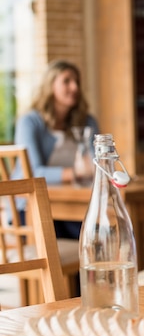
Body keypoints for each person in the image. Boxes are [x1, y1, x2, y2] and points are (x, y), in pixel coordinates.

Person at [14, 59, 99, 239]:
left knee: (95, 234)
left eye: (76, 82)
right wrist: (77, 173)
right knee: (75, 239)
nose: (75, 87)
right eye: (67, 81)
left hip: (71, 203)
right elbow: (33, 172)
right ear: (50, 85)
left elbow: (98, 164)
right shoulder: (30, 122)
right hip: (30, 207)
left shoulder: (87, 121)